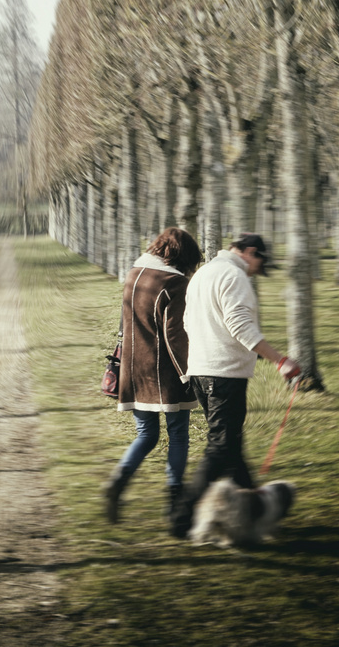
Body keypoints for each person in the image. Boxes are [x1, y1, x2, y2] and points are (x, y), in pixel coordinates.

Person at [170, 232, 301, 539]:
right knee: (220, 448)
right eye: (259, 263)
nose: (257, 270)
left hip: (202, 373)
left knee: (231, 446)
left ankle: (253, 510)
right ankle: (181, 519)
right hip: (223, 375)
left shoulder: (203, 274)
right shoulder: (234, 275)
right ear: (250, 252)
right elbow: (240, 325)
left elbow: (187, 323)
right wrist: (280, 361)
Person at [103, 226, 203, 524]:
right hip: (165, 374)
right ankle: (174, 503)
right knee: (178, 435)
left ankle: (118, 482)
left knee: (146, 434)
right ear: (185, 257)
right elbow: (175, 336)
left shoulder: (134, 274)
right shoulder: (174, 282)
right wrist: (189, 374)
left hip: (133, 371)